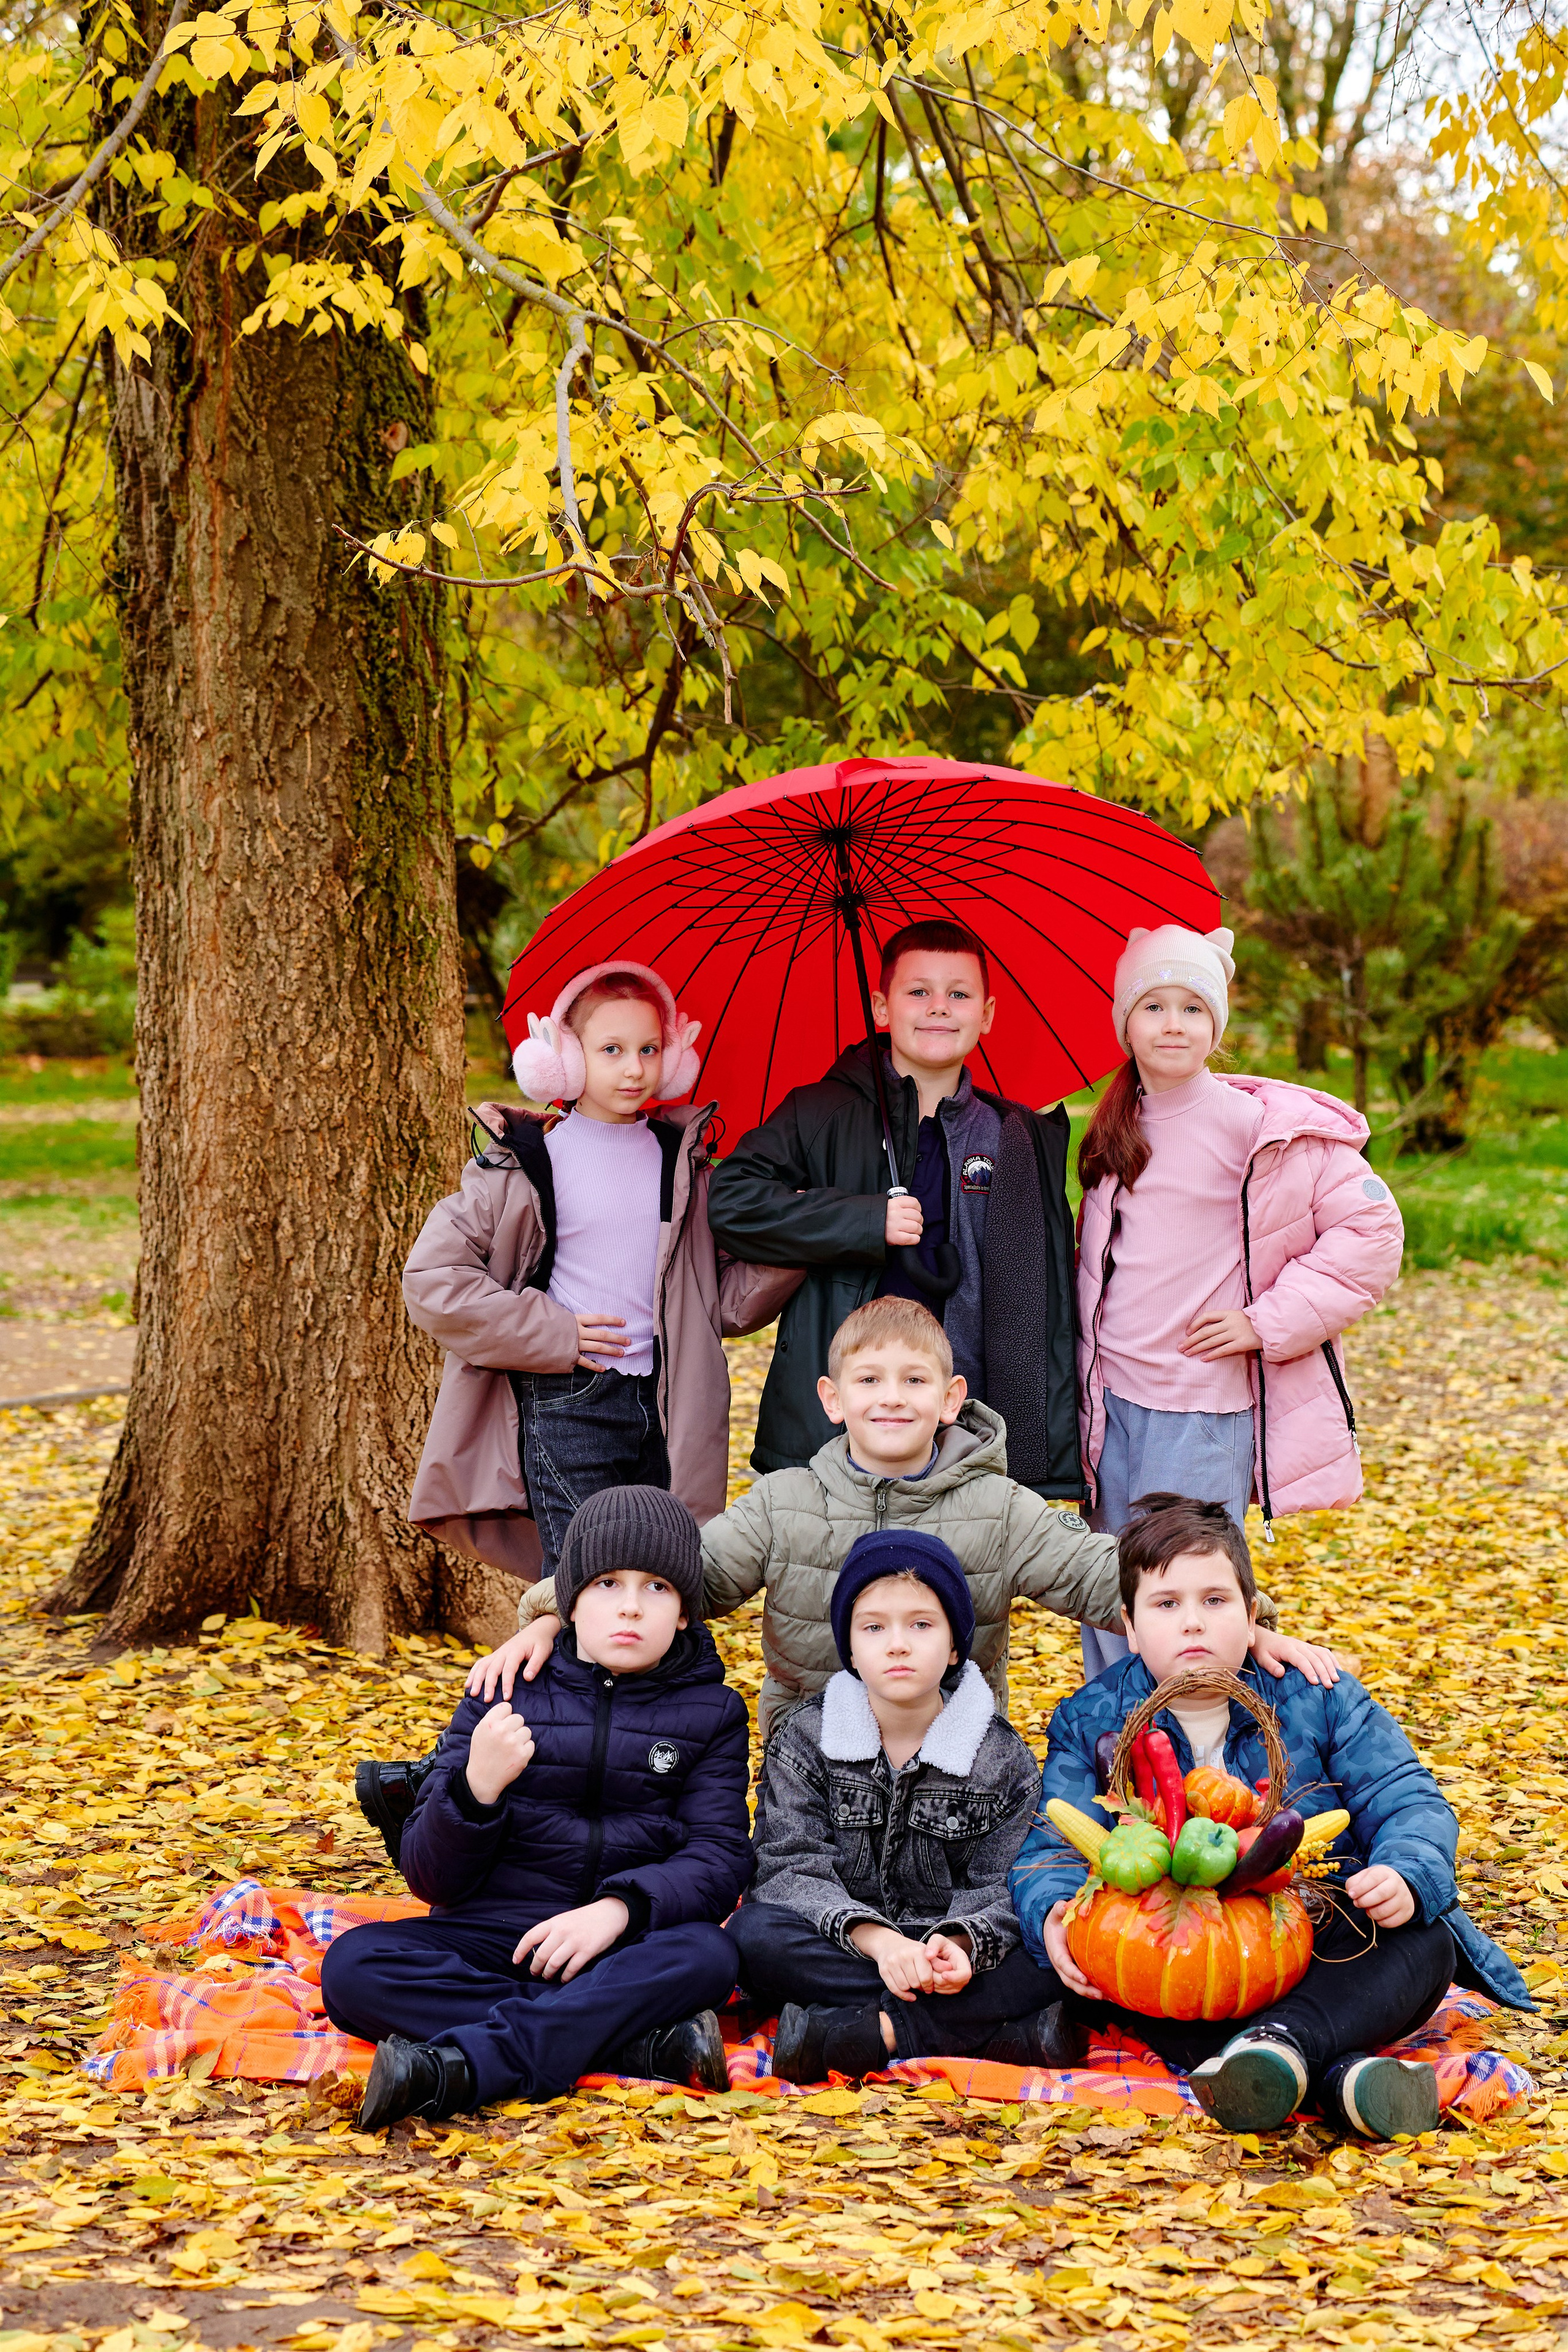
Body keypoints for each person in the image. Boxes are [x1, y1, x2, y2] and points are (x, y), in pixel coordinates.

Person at [475, 1297, 1338, 1741]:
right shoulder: (784, 1502)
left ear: (951, 1398)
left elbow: (1107, 1578)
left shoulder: (1001, 1508)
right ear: (833, 1399)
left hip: (954, 1762)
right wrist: (553, 1612)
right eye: (870, 1381)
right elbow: (676, 1574)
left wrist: (1239, 1621)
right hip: (813, 1762)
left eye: (915, 1381)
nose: (892, 1398)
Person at [1008, 1493, 1531, 2139]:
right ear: (1130, 1626)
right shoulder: (1090, 1718)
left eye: (1215, 1601)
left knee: (1425, 1941)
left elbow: (1406, 1796)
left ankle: (1272, 2051)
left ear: (1252, 1615)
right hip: (1178, 1951)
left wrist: (1404, 1871)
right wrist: (1054, 1910)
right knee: (1103, 1966)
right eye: (1166, 1605)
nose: (1192, 1624)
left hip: (1310, 1932)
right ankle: (1335, 2077)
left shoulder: (1318, 1693)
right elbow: (1048, 1845)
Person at [320, 1487, 753, 2127]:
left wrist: (617, 1911)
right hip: (496, 1933)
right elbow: (429, 1878)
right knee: (353, 1969)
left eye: (658, 1587)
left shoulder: (713, 1713)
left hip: (621, 1945)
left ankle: (474, 2063)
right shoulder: (504, 1688)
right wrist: (476, 1788)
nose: (631, 1606)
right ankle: (628, 2042)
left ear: (685, 1612)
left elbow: (718, 1856)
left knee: (709, 1956)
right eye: (607, 1583)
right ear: (570, 1601)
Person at [399, 958, 799, 1583]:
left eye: (649, 1049)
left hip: (669, 1403)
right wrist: (554, 1332)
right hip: (569, 1400)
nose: (633, 1068)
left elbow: (721, 1303)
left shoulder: (686, 1168)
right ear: (565, 1058)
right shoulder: (522, 1165)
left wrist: (798, 1238)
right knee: (585, 1579)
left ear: (673, 1057)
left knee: (664, 1575)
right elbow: (433, 1280)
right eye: (611, 1049)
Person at [1075, 924, 1404, 1677]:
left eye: (1193, 1008)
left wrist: (1265, 1322)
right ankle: (1114, 1737)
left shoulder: (1258, 1128)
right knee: (1110, 1590)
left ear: (1216, 1025)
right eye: (1153, 1006)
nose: (1173, 1024)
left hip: (1201, 1409)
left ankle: (1198, 1739)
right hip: (1109, 1403)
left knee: (1189, 1595)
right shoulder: (1113, 1128)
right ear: (1125, 1021)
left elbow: (1370, 1231)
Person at [706, 917, 1084, 1498]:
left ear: (986, 1014)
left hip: (961, 1426)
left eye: (959, 994)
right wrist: (862, 1220)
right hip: (837, 1422)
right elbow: (733, 1201)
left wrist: (1040, 1456)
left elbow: (1041, 1299)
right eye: (919, 991)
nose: (939, 1007)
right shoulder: (819, 1112)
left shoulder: (1014, 1135)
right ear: (882, 1008)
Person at [728, 1530, 1079, 2081]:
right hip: (847, 1945)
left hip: (952, 1952)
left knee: (1057, 1951)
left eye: (921, 1625)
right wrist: (882, 1943)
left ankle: (874, 2033)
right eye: (874, 1627)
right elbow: (788, 1867)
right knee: (753, 1936)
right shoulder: (806, 1738)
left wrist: (961, 1945)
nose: (898, 1644)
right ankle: (996, 2035)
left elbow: (1008, 1883)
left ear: (955, 1646)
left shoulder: (1000, 1756)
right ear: (850, 1648)